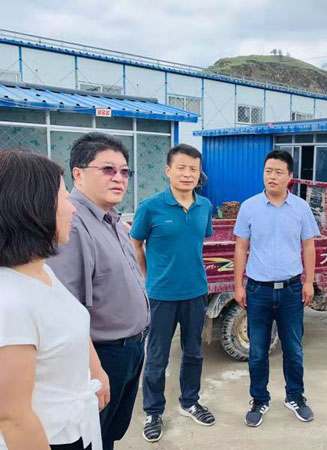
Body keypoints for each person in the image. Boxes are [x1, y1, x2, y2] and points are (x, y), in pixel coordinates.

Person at [48, 133, 149, 450]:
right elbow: (65, 309)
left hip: (130, 349)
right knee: (92, 439)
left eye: (124, 171)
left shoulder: (113, 220)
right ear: (78, 174)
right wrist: (94, 369)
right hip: (102, 355)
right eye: (108, 169)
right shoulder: (73, 225)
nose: (119, 178)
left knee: (110, 434)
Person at [0, 149, 105, 450]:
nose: (73, 210)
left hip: (76, 428)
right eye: (64, 197)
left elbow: (69, 323)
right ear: (32, 208)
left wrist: (96, 371)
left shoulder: (41, 270)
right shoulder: (10, 301)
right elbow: (13, 417)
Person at [131, 144, 215, 442]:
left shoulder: (204, 206)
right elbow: (135, 243)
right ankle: (153, 411)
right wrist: (147, 276)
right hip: (161, 295)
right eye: (181, 167)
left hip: (195, 292)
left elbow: (198, 242)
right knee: (157, 356)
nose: (187, 174)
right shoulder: (150, 207)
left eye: (194, 169)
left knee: (193, 352)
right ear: (168, 170)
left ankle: (189, 401)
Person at [233, 150, 320, 427]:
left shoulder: (301, 208)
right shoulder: (249, 207)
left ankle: (295, 396)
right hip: (258, 290)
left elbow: (309, 245)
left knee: (293, 349)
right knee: (258, 351)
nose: (272, 176)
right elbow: (241, 247)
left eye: (278, 172)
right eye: (268, 171)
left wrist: (309, 281)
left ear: (290, 176)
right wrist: (238, 285)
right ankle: (259, 399)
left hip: (292, 290)